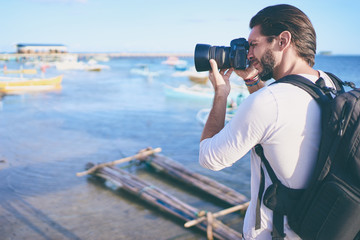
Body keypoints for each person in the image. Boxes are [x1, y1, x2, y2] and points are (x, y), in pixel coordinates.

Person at [198, 4, 337, 240]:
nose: (249, 54)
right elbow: (278, 120)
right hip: (321, 227)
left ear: (282, 41)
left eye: (253, 44)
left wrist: (221, 94)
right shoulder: (333, 86)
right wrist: (253, 81)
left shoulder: (269, 101)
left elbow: (209, 158)